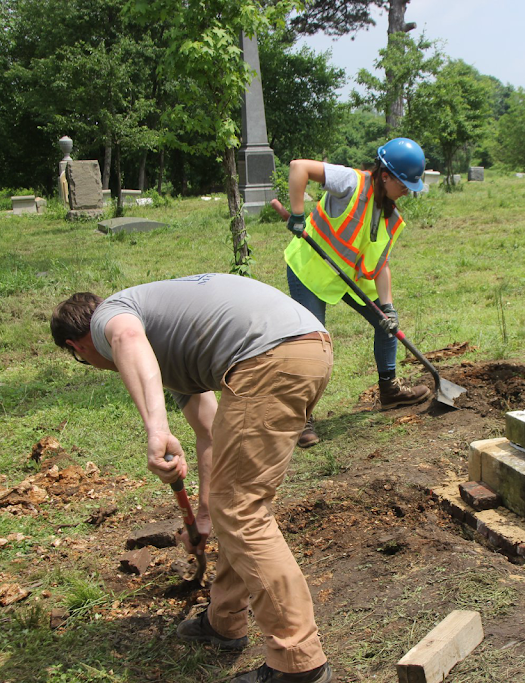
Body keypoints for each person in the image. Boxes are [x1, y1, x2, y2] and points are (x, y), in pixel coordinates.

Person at [50, 274, 334, 683]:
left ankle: (299, 662)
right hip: (306, 348)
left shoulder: (112, 316)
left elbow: (127, 338)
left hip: (270, 356)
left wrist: (156, 428)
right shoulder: (173, 350)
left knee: (242, 511)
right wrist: (203, 515)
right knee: (233, 506)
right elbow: (209, 434)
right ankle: (224, 621)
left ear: (77, 346)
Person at [285, 137, 430, 447]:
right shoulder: (351, 182)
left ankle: (389, 391)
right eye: (404, 183)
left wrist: (387, 309)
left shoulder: (391, 217)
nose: (407, 190)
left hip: (350, 274)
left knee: (387, 323)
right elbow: (299, 168)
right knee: (313, 345)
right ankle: (302, 418)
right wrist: (298, 214)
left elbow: (381, 264)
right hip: (312, 268)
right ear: (386, 175)